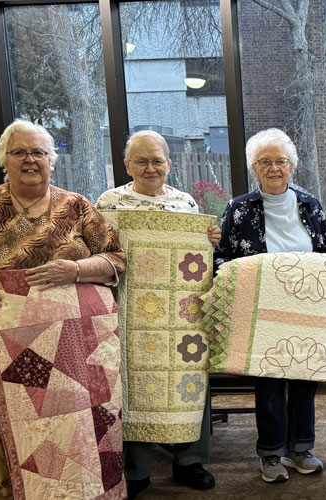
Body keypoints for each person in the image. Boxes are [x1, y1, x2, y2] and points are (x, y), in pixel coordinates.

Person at [0, 119, 126, 500]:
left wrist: (74, 269)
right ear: (3, 159)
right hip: (13, 343)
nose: (30, 159)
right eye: (19, 152)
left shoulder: (76, 206)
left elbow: (117, 259)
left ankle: (87, 491)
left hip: (78, 345)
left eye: (39, 152)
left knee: (83, 420)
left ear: (51, 161)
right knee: (25, 424)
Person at [95, 130, 222, 498]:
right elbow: (101, 252)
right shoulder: (110, 203)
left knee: (189, 377)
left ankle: (190, 461)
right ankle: (137, 470)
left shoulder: (185, 204)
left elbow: (196, 255)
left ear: (170, 163)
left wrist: (208, 238)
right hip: (132, 313)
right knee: (133, 382)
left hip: (183, 314)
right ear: (126, 165)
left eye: (157, 160)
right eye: (141, 161)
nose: (150, 168)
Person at [214, 128, 326, 483]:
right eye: (265, 161)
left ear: (291, 165)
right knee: (268, 384)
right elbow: (221, 259)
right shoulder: (238, 209)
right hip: (261, 309)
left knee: (303, 380)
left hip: (307, 307)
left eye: (280, 161)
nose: (274, 168)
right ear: (254, 167)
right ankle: (271, 454)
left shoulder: (310, 204)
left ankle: (301, 449)